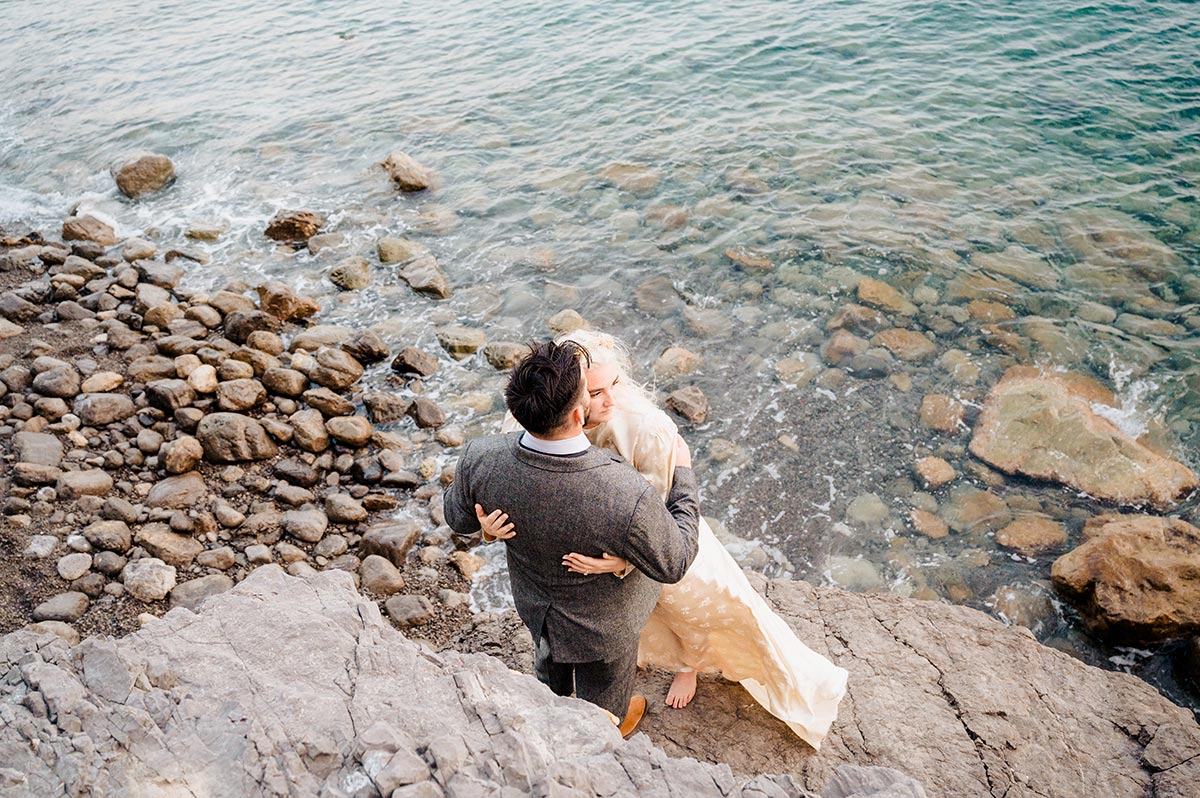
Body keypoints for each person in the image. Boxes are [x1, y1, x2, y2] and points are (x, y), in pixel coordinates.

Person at [478, 330, 849, 750]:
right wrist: (490, 526)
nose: (609, 401)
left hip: (652, 540)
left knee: (687, 610)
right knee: (616, 635)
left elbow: (663, 523)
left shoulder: (648, 431)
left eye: (614, 384)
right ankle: (604, 718)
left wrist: (623, 562)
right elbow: (515, 484)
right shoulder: (537, 414)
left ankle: (688, 664)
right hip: (588, 570)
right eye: (595, 392)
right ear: (569, 400)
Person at [443, 340, 701, 738]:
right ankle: (606, 729)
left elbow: (457, 519)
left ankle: (551, 710)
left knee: (549, 668)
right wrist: (683, 476)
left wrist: (484, 527)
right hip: (605, 624)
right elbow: (675, 562)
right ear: (580, 414)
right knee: (605, 697)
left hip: (536, 605)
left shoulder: (481, 456)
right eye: (592, 390)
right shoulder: (622, 490)